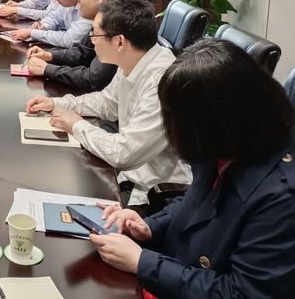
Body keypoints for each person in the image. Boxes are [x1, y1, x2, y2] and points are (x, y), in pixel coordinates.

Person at [91, 39, 295, 298]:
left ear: (217, 120)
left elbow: (242, 293)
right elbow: (196, 201)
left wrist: (143, 262)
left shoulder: (282, 197)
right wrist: (148, 225)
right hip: (176, 272)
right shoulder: (230, 143)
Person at [26, 0, 191, 209]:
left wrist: (76, 124)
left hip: (154, 195)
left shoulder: (161, 81)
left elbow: (124, 153)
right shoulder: (135, 59)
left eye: (95, 34)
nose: (91, 39)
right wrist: (58, 104)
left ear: (119, 41)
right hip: (129, 176)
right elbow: (107, 103)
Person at [23, 0, 125, 91]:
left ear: (103, 1)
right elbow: (81, 53)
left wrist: (47, 69)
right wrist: (49, 55)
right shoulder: (100, 20)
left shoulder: (115, 29)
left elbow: (92, 79)